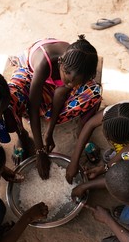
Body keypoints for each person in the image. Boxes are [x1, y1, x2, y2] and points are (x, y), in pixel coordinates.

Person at [8, 35, 102, 179]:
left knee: (94, 92)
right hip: (33, 74)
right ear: (61, 64)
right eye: (70, 81)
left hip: (55, 81)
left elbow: (61, 91)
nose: (72, 86)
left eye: (77, 83)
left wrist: (49, 132)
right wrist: (39, 151)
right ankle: (23, 136)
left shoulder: (79, 68)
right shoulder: (44, 63)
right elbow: (33, 108)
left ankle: (81, 133)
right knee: (12, 99)